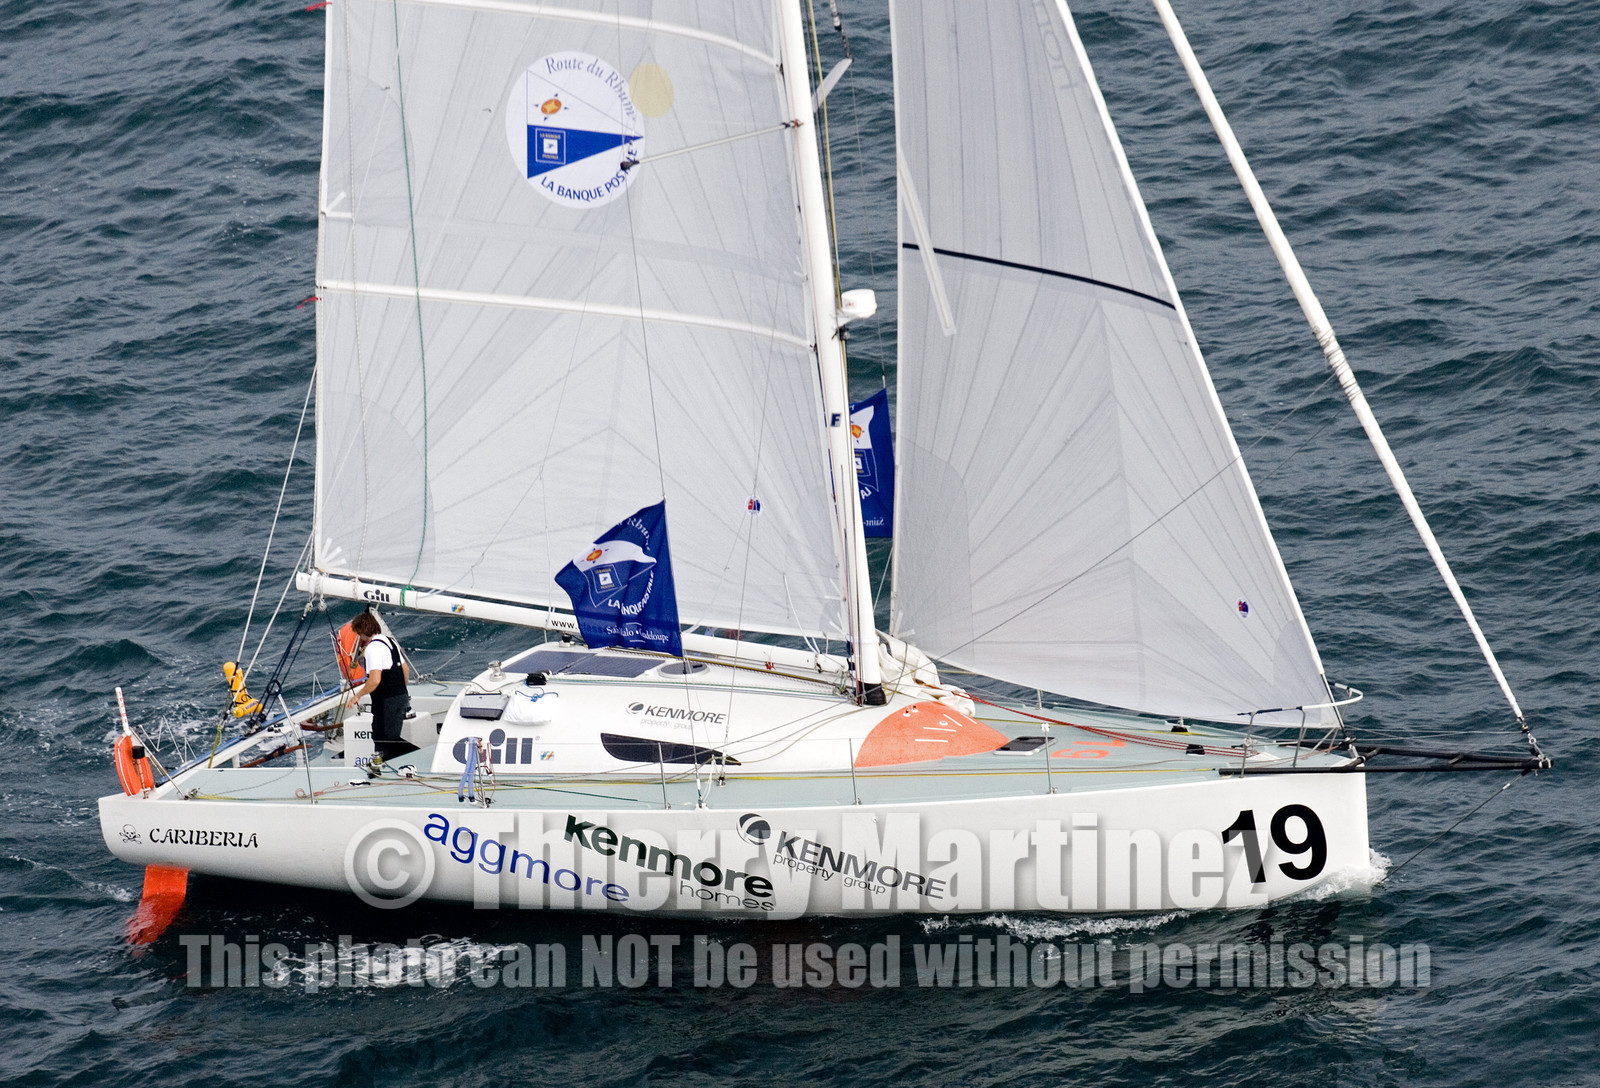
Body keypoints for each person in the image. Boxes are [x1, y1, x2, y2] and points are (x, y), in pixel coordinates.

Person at [345, 611, 415, 761]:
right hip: (400, 696)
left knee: (382, 737)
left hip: (386, 701)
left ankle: (415, 757)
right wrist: (401, 691)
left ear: (362, 631)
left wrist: (358, 696)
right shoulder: (390, 642)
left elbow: (375, 680)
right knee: (390, 737)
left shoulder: (372, 648)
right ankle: (402, 762)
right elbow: (405, 670)